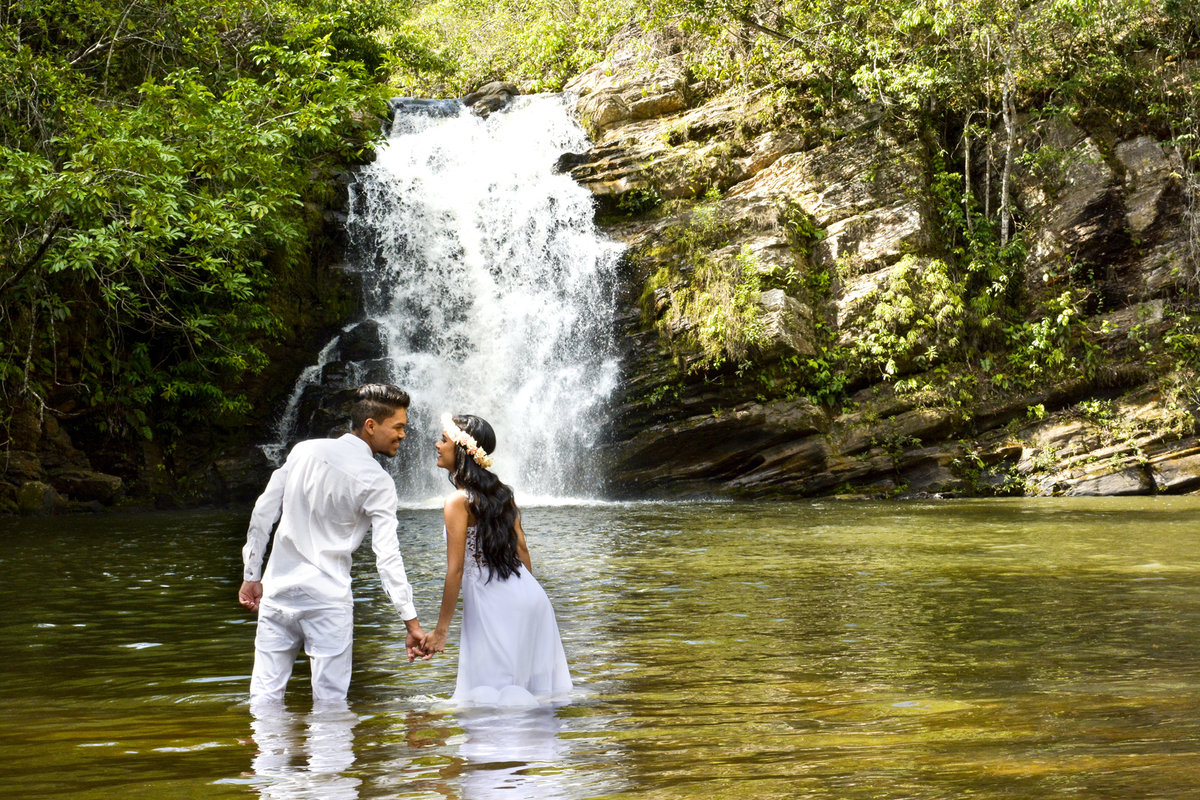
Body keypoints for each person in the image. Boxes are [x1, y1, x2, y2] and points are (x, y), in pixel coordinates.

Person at [238, 384, 429, 706]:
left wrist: (251, 574)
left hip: (277, 591)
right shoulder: (378, 480)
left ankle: (266, 754)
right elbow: (387, 555)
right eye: (398, 427)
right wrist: (410, 622)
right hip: (326, 599)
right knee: (330, 703)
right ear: (371, 425)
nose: (403, 435)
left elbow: (263, 513)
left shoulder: (304, 451)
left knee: (264, 696)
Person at [421, 413, 572, 707]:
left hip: (493, 604)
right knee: (530, 699)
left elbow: (456, 571)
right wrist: (529, 596)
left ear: (463, 450)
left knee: (493, 701)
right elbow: (523, 550)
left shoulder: (458, 502)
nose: (437, 444)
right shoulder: (502, 494)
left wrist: (441, 631)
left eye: (443, 440)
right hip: (532, 598)